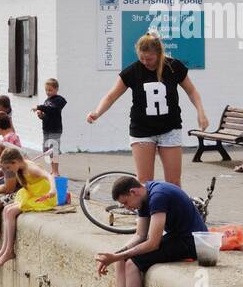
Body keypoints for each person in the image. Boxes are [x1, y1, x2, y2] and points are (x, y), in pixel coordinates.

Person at [90, 176, 206, 287]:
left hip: (192, 242)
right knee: (122, 260)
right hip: (177, 237)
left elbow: (152, 243)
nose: (127, 208)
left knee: (131, 264)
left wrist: (118, 257)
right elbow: (140, 235)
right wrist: (116, 255)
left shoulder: (158, 196)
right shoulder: (144, 197)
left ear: (133, 192)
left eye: (126, 203)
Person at [86, 33, 207, 185]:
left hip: (170, 129)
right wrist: (97, 112)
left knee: (173, 181)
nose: (145, 62)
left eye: (149, 59)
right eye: (141, 58)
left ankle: (174, 209)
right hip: (142, 131)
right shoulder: (133, 71)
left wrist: (201, 113)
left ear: (159, 53)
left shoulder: (173, 67)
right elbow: (111, 96)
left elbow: (192, 91)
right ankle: (148, 209)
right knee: (144, 181)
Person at [0, 146, 56, 267]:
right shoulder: (20, 165)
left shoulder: (31, 168)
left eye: (9, 167)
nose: (8, 171)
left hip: (42, 196)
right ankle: (4, 249)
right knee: (6, 209)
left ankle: (9, 250)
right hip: (31, 193)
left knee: (10, 212)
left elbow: (49, 176)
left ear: (15, 162)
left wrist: (52, 189)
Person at [33, 78, 67, 161]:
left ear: (56, 89)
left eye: (50, 90)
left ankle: (55, 171)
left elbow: (52, 110)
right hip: (46, 129)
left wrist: (39, 107)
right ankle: (52, 170)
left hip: (55, 129)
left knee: (53, 151)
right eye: (46, 90)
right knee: (46, 150)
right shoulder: (47, 101)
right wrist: (40, 115)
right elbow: (46, 115)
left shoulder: (59, 100)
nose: (48, 92)